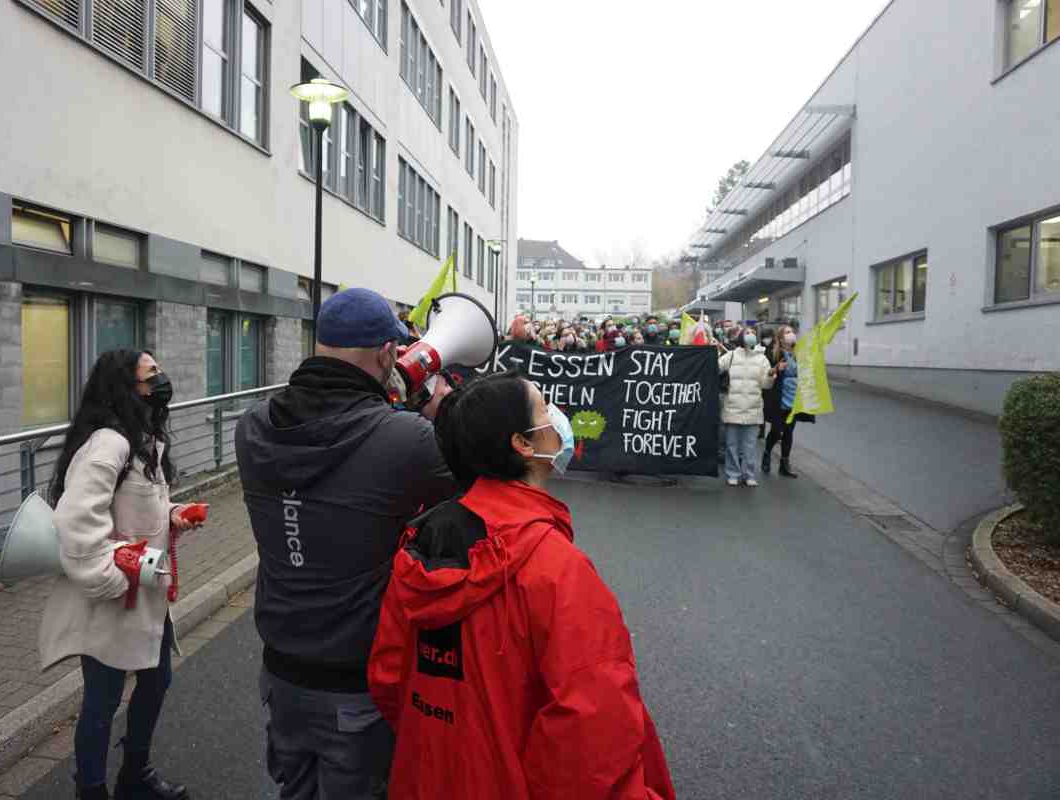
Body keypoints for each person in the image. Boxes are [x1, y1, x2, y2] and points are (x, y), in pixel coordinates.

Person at [368, 372, 677, 800]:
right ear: (523, 444)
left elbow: (388, 677)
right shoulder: (556, 569)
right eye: (544, 407)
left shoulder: (418, 546)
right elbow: (592, 735)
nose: (556, 417)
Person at [234, 288, 456, 799]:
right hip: (358, 678)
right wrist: (436, 412)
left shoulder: (252, 427)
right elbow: (466, 496)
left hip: (281, 666)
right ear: (385, 354)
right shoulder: (404, 438)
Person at [38, 349, 204, 800]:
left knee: (156, 680)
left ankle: (135, 776)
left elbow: (133, 509)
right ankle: (91, 791)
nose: (162, 381)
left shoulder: (142, 439)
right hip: (114, 596)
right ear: (125, 387)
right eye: (152, 375)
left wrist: (172, 515)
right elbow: (74, 524)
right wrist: (111, 579)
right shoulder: (109, 444)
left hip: (146, 591)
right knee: (102, 702)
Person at [719, 328, 775, 487]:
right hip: (732, 407)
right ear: (741, 337)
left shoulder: (761, 358)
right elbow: (715, 368)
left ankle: (749, 474)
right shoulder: (730, 356)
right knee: (732, 445)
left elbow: (766, 385)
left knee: (749, 446)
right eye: (747, 332)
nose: (750, 335)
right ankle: (733, 474)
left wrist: (770, 375)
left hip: (753, 407)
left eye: (752, 332)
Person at [762, 324, 809, 477]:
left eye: (792, 332)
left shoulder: (797, 353)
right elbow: (767, 372)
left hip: (794, 398)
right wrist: (777, 368)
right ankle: (767, 454)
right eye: (787, 332)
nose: (792, 334)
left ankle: (784, 465)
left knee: (789, 431)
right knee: (776, 431)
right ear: (781, 338)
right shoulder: (775, 353)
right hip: (779, 397)